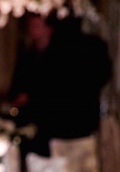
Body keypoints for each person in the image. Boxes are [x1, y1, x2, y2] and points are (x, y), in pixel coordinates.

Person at [10, 13, 112, 156]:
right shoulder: (30, 56)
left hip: (74, 118)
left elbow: (97, 78)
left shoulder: (77, 49)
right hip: (42, 121)